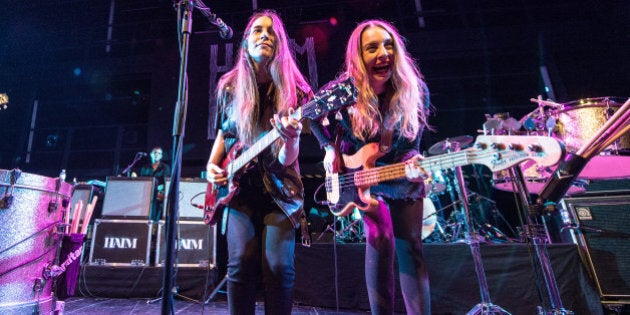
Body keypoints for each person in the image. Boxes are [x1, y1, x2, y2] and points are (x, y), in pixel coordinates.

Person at [310, 20, 432, 314]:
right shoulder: (343, 91)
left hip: (399, 170)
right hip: (360, 174)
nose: (383, 53)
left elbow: (413, 143)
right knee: (379, 238)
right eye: (372, 47)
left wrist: (413, 162)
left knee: (411, 246)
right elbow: (312, 114)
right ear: (358, 56)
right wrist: (329, 148)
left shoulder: (414, 90)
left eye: (389, 45)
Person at [205, 10, 312, 315]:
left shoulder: (296, 91)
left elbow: (285, 162)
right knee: (238, 268)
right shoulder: (230, 87)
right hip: (240, 194)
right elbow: (225, 135)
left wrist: (291, 138)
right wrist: (213, 168)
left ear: (280, 45)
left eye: (272, 32)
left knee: (277, 268)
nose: (265, 35)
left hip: (281, 193)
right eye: (257, 30)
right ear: (245, 42)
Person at [138, 146, 171, 222]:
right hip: (147, 193)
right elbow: (143, 181)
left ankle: (156, 224)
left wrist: (159, 189)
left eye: (159, 153)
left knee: (159, 209)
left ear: (161, 156)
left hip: (160, 192)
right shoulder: (145, 168)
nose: (157, 154)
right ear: (151, 154)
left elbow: (166, 182)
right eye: (155, 152)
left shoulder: (165, 167)